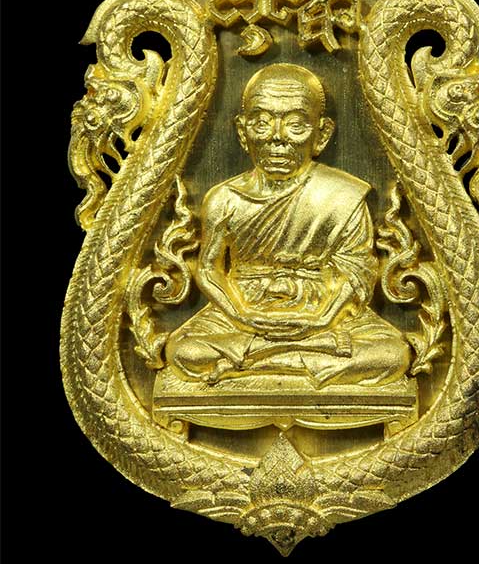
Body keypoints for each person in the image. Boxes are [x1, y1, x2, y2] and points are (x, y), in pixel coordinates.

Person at [165, 63, 411, 387]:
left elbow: (358, 272)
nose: (277, 138)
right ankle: (304, 357)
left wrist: (323, 318)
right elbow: (210, 269)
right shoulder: (223, 199)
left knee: (391, 354)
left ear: (322, 134)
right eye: (262, 123)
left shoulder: (343, 195)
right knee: (184, 351)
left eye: (296, 125)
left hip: (327, 314)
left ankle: (256, 361)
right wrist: (240, 315)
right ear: (242, 132)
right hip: (241, 313)